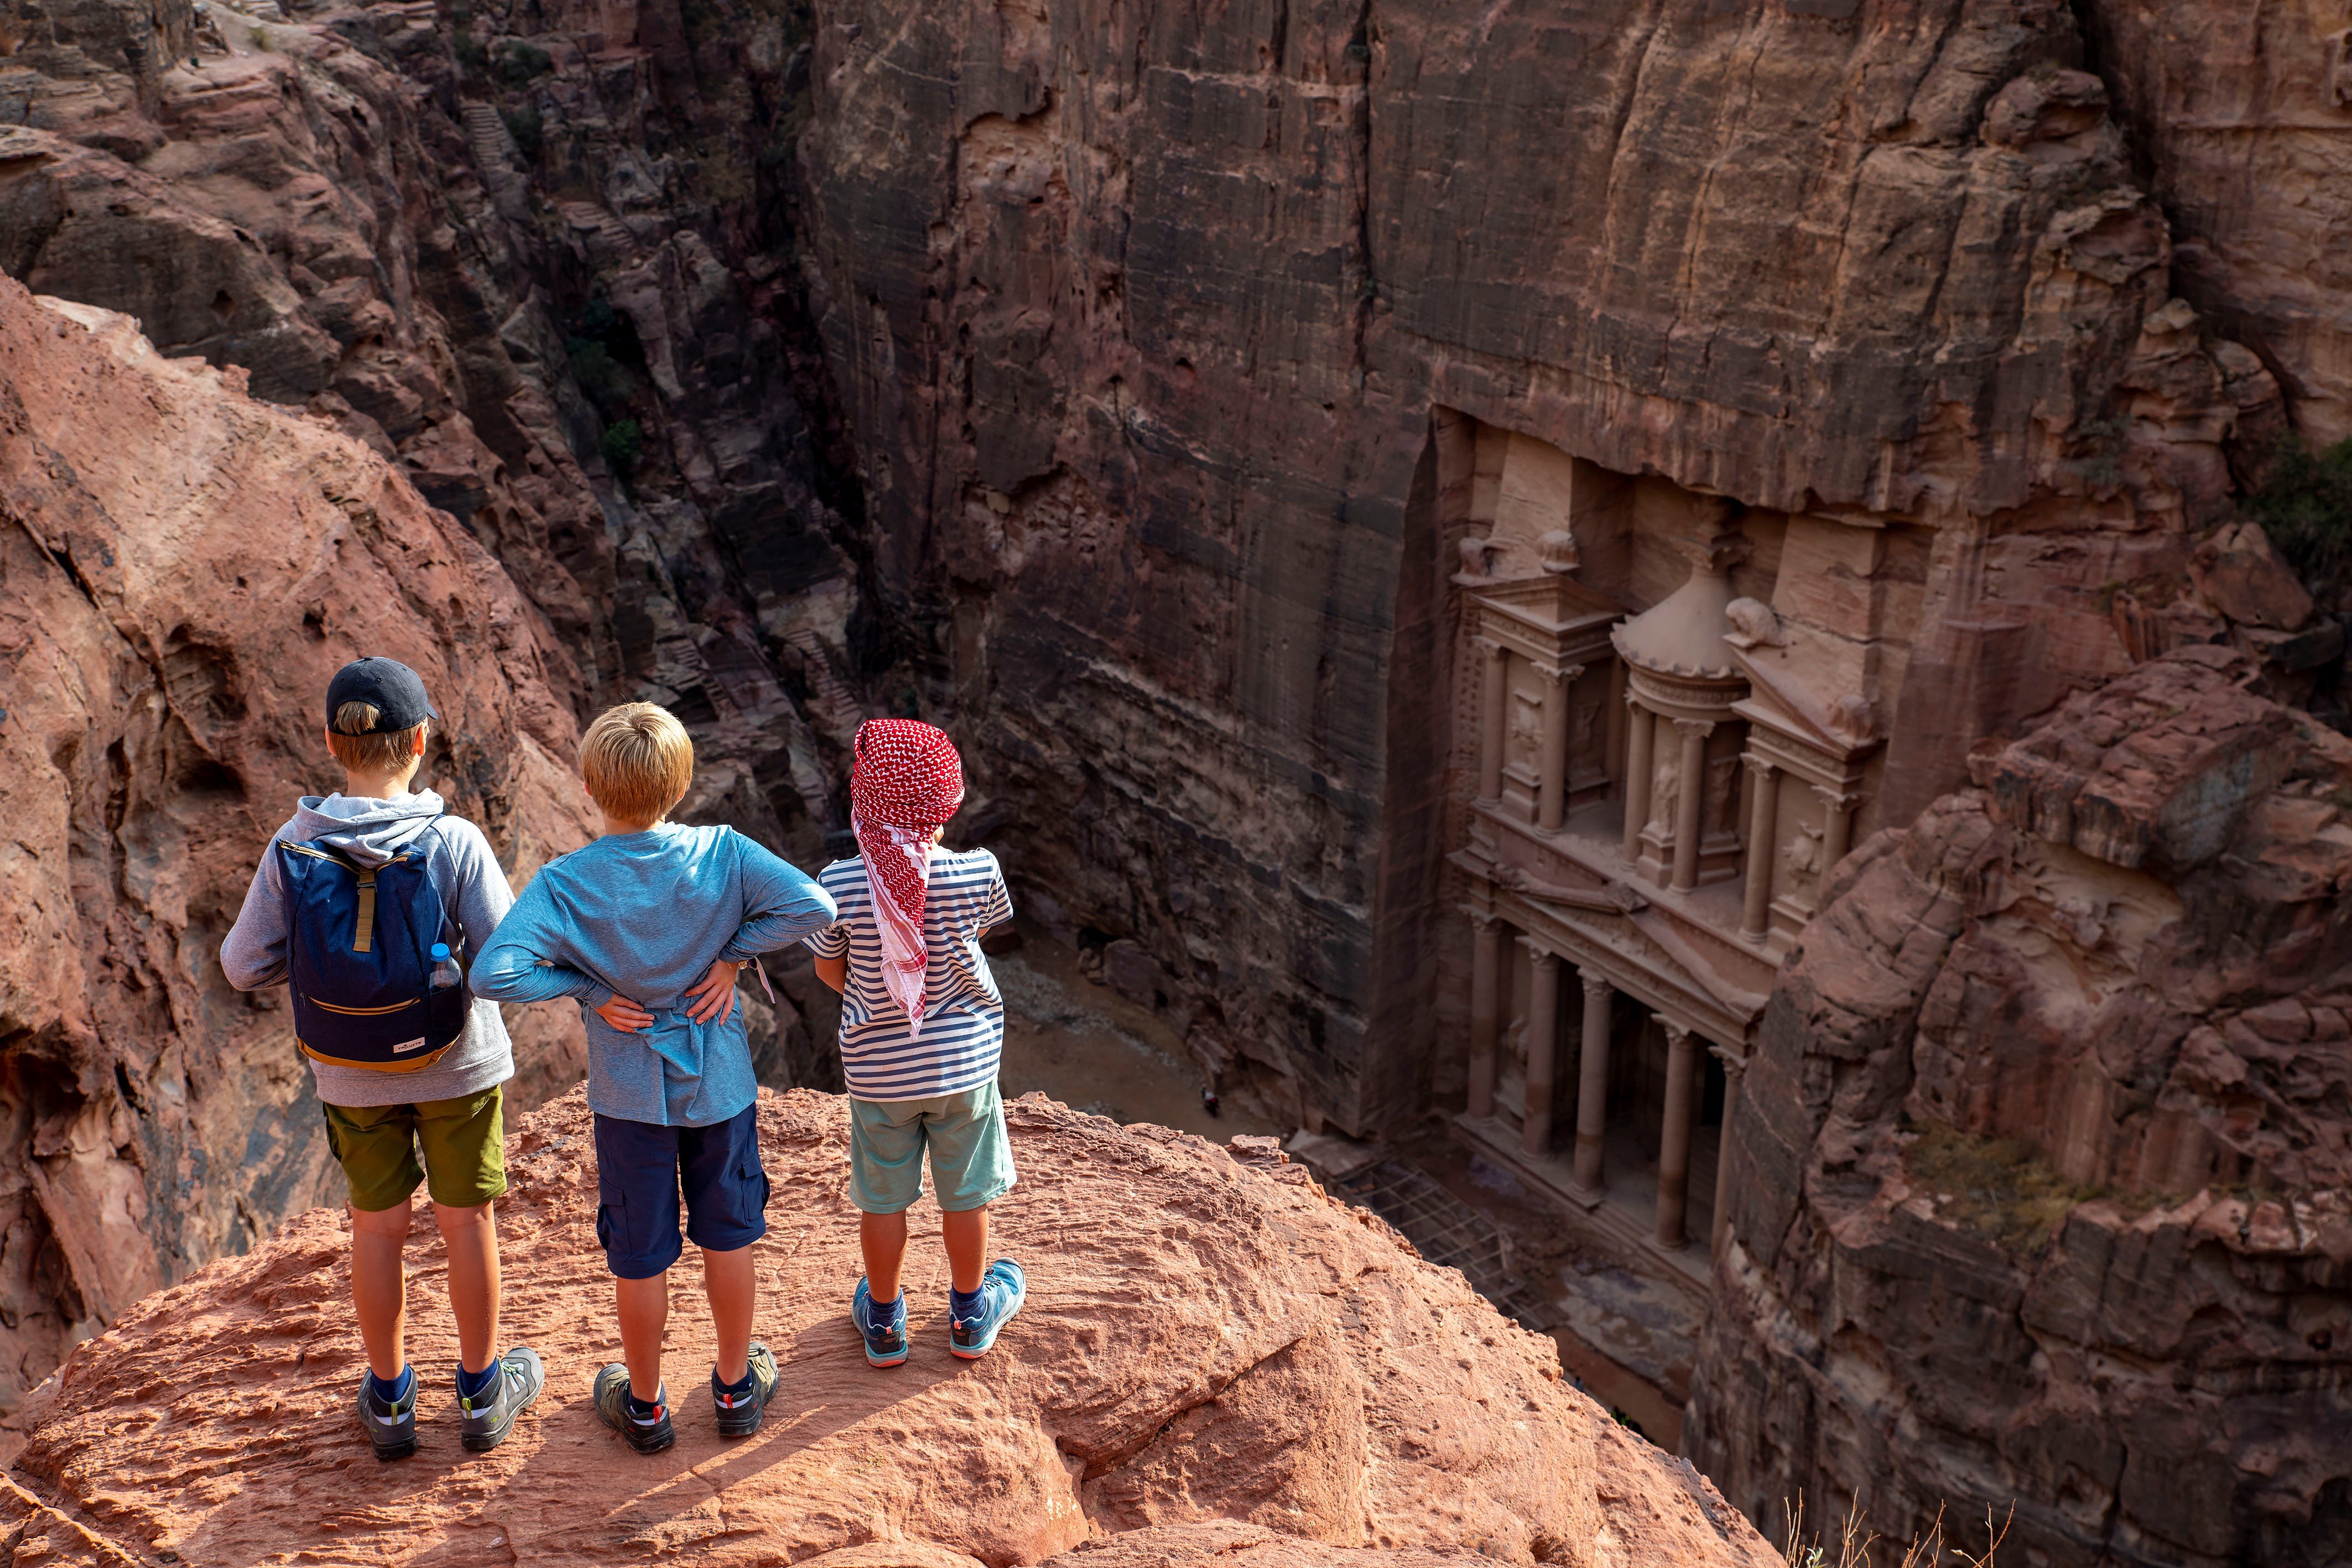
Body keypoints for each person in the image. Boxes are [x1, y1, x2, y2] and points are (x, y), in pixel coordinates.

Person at [469, 702, 835, 1454]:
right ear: (683, 780)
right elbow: (813, 905)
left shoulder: (567, 883)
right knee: (727, 1234)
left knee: (641, 1252)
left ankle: (644, 1404)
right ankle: (735, 1388)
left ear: (587, 785)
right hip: (721, 1085)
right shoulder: (723, 852)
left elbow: (494, 971)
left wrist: (591, 988)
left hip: (629, 1097)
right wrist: (732, 954)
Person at [221, 655, 543, 1461]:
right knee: (465, 1220)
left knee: (379, 1227)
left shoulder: (293, 845)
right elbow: (506, 957)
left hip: (350, 1072)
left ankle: (393, 1399)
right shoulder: (453, 839)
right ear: (422, 739)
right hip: (458, 1065)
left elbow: (240, 963)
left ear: (332, 743)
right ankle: (480, 1389)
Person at [807, 718, 1024, 1368]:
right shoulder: (977, 870)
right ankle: (968, 1313)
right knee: (967, 1192)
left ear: (863, 801)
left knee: (884, 1197)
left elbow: (828, 969)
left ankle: (883, 1321)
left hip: (879, 1070)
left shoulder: (838, 885)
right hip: (964, 1065)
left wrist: (876, 995)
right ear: (947, 803)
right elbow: (975, 943)